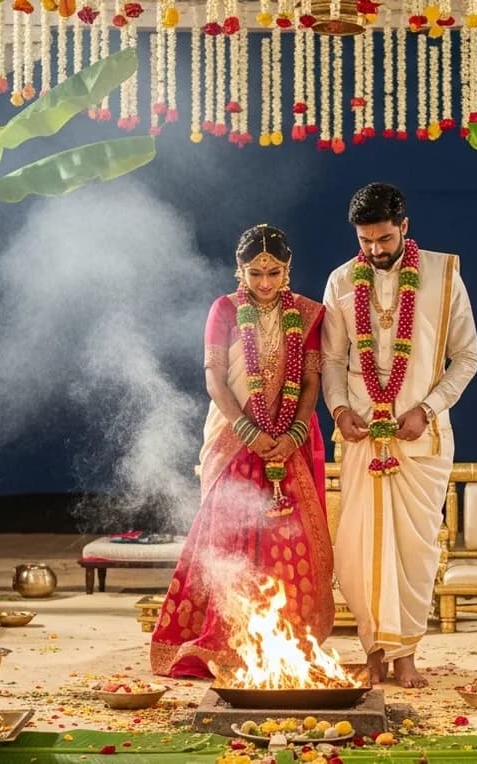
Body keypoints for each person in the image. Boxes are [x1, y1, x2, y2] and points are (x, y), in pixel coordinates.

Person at [150, 225, 334, 678]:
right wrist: (248, 430)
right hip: (234, 436)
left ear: (287, 269)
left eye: (274, 272)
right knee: (230, 540)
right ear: (241, 270)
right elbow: (214, 377)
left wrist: (291, 435)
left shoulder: (309, 314)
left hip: (289, 440)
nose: (266, 282)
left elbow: (310, 380)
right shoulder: (225, 310)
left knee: (287, 541)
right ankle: (227, 642)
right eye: (256, 273)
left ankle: (287, 638)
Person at [322, 182, 477, 688]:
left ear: (404, 227)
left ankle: (406, 652)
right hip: (363, 439)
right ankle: (373, 650)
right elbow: (330, 360)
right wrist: (340, 407)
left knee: (415, 552)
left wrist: (428, 409)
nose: (374, 250)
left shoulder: (444, 274)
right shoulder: (342, 281)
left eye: (384, 239)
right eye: (365, 241)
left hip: (421, 439)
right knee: (359, 550)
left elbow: (468, 357)